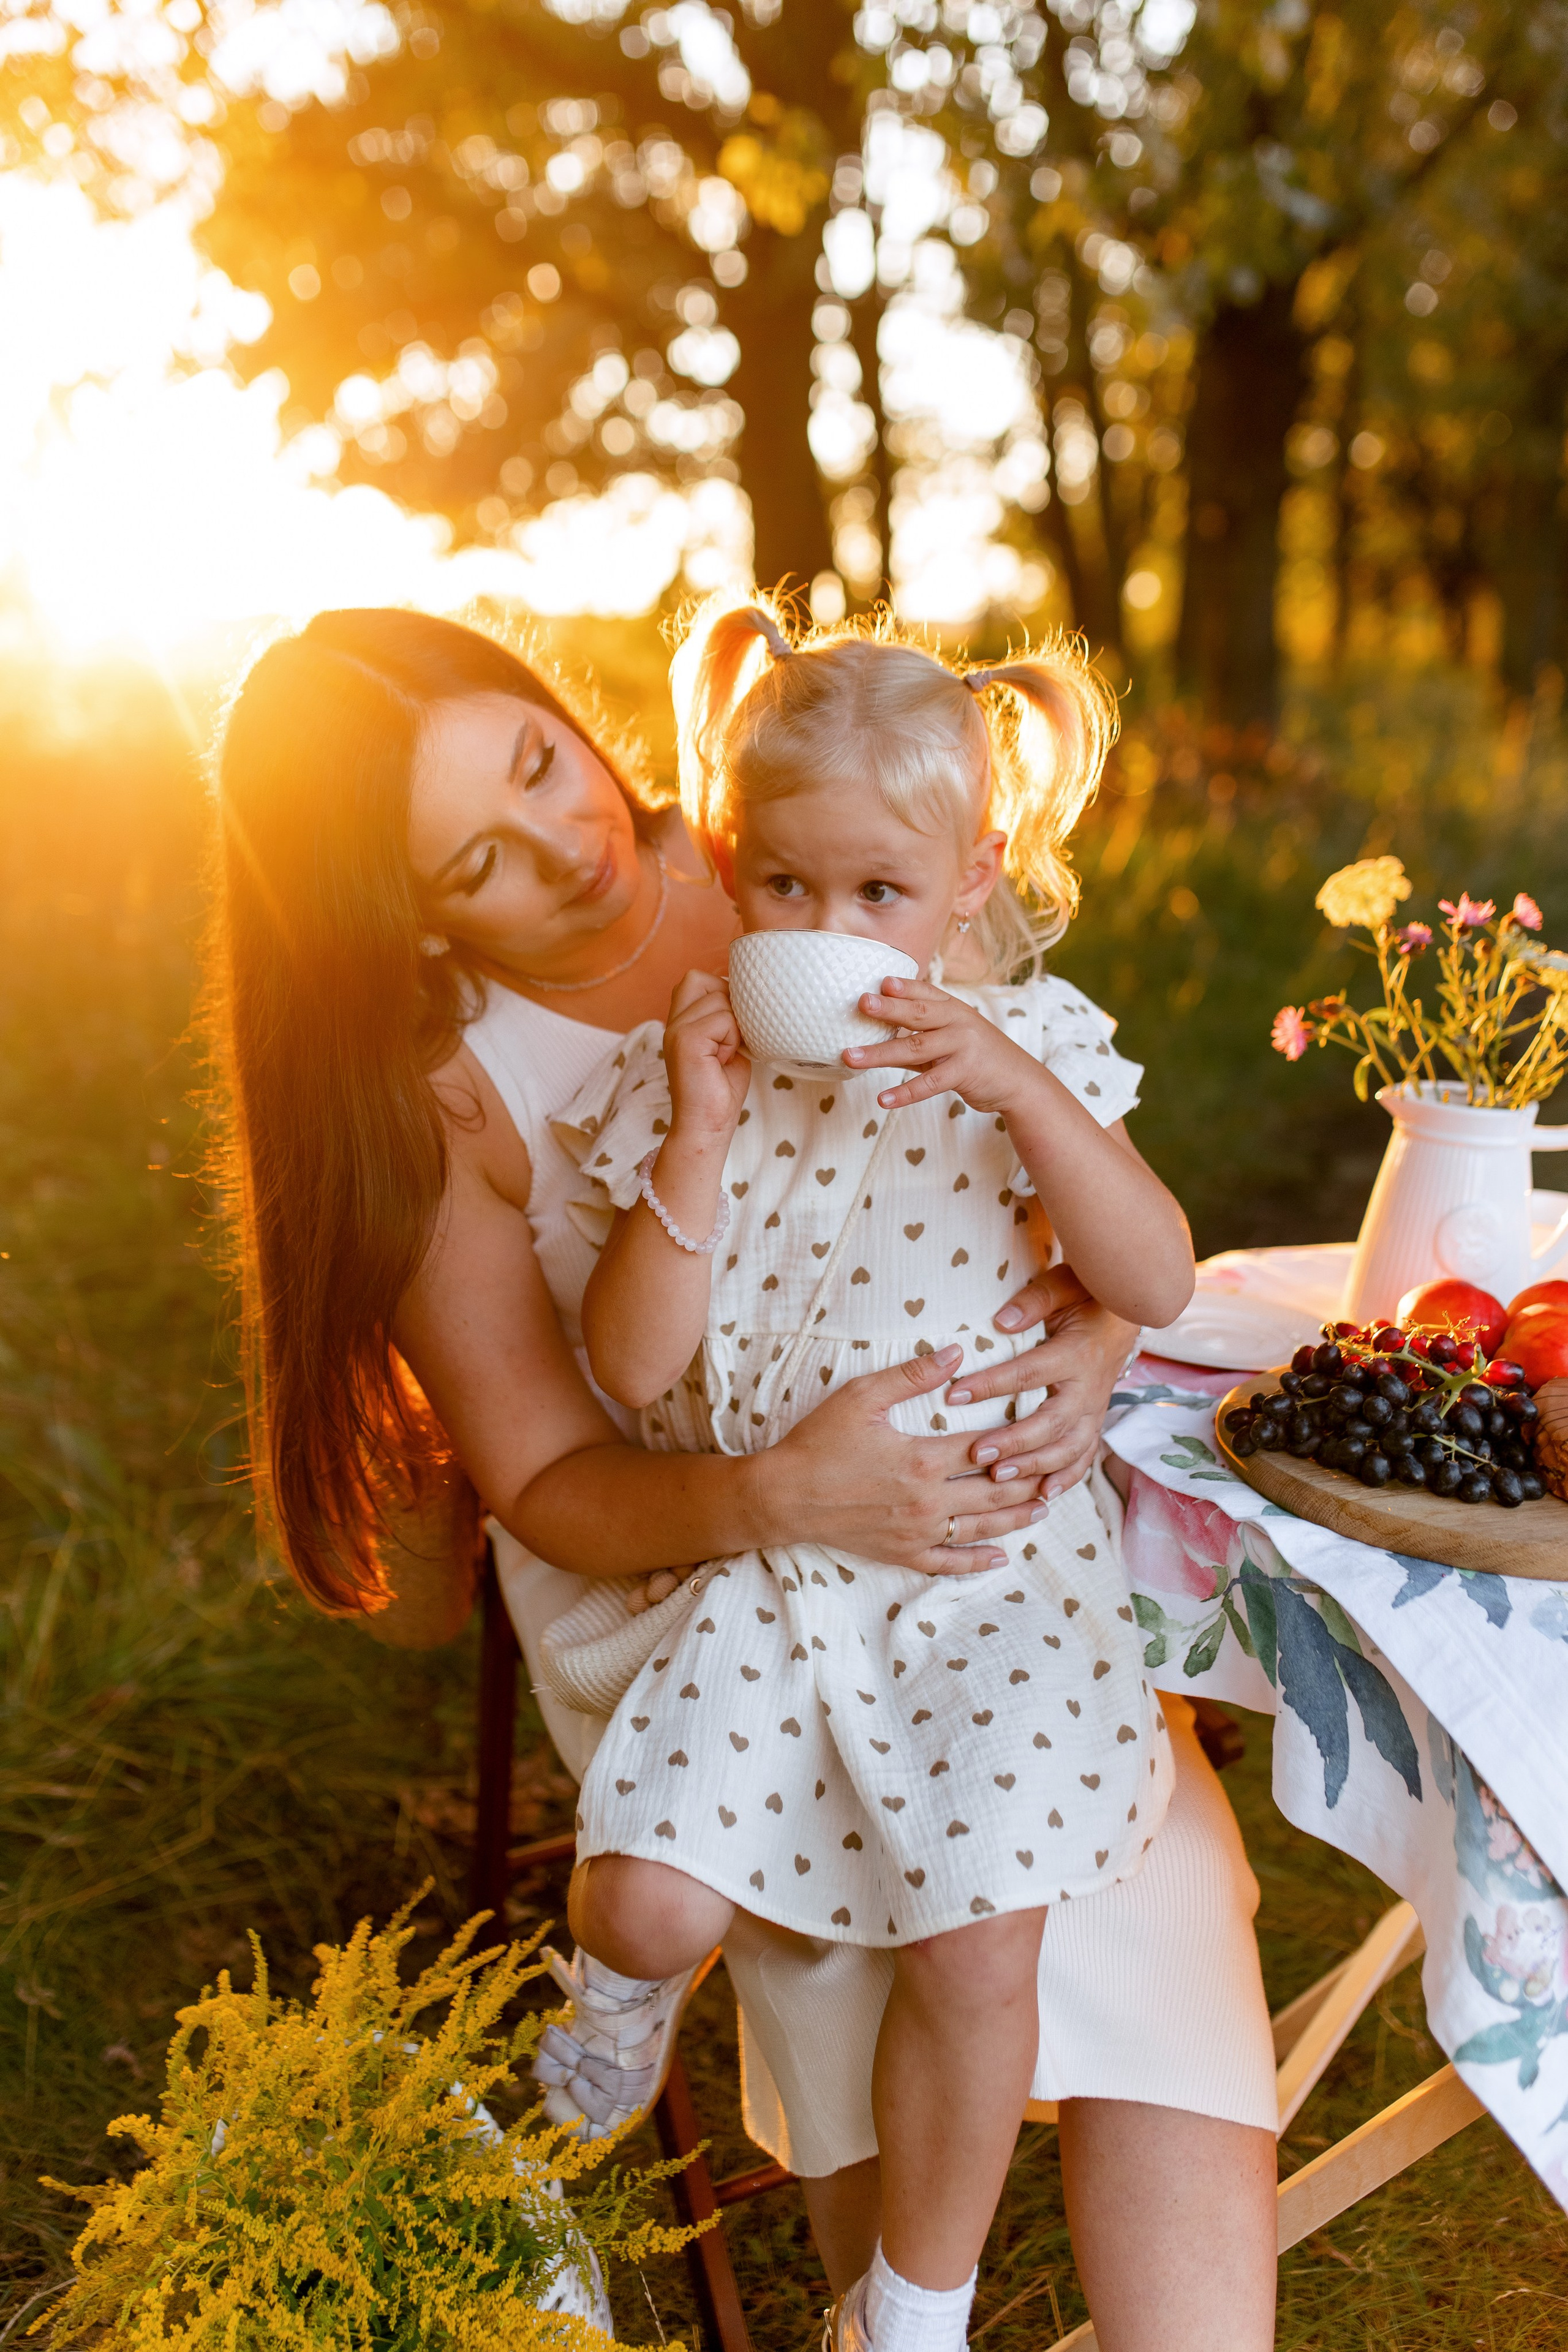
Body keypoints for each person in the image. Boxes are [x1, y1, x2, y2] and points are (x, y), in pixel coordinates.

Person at [209, 606, 1278, 2350]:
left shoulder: (800, 830)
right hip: (681, 1555)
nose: (568, 845)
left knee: (1119, 1873)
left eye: (545, 764)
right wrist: (796, 1494)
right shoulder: (443, 1100)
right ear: (399, 909)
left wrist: (1083, 1345)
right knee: (865, 1903)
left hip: (958, 1527)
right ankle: (874, 2288)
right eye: (478, 854)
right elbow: (556, 1468)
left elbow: (1079, 1217)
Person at [557, 600, 1196, 2348]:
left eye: (879, 896)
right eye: (785, 889)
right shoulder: (694, 1073)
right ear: (725, 860)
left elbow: (1153, 1280)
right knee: (644, 1895)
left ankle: (911, 2310)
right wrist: (692, 1138)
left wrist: (1013, 1083)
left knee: (980, 1944)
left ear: (974, 872)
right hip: (778, 1568)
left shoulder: (1036, 1055)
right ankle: (579, 2077)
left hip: (990, 1581)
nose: (826, 934)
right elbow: (625, 1370)